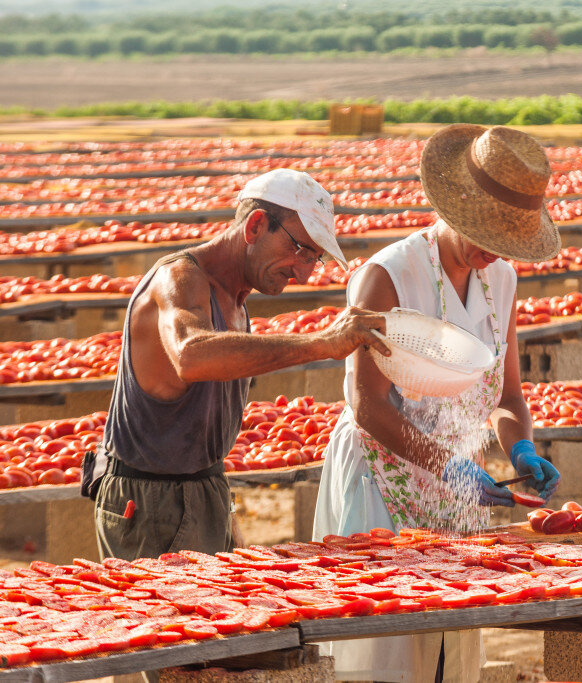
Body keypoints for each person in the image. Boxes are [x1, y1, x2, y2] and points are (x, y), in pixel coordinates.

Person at [312, 124, 561, 683]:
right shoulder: (389, 276)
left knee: (449, 637)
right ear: (452, 206)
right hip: (384, 473)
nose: (489, 250)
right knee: (385, 644)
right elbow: (366, 403)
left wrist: (520, 445)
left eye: (503, 240)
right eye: (481, 232)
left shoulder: (501, 277)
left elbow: (507, 395)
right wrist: (447, 465)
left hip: (449, 476)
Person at [88, 168, 388, 561]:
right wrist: (321, 342)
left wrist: (220, 505)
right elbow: (191, 354)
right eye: (300, 250)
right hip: (148, 498)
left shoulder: (237, 301)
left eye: (314, 259)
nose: (303, 272)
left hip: (201, 484)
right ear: (256, 226)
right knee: (165, 619)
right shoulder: (179, 277)